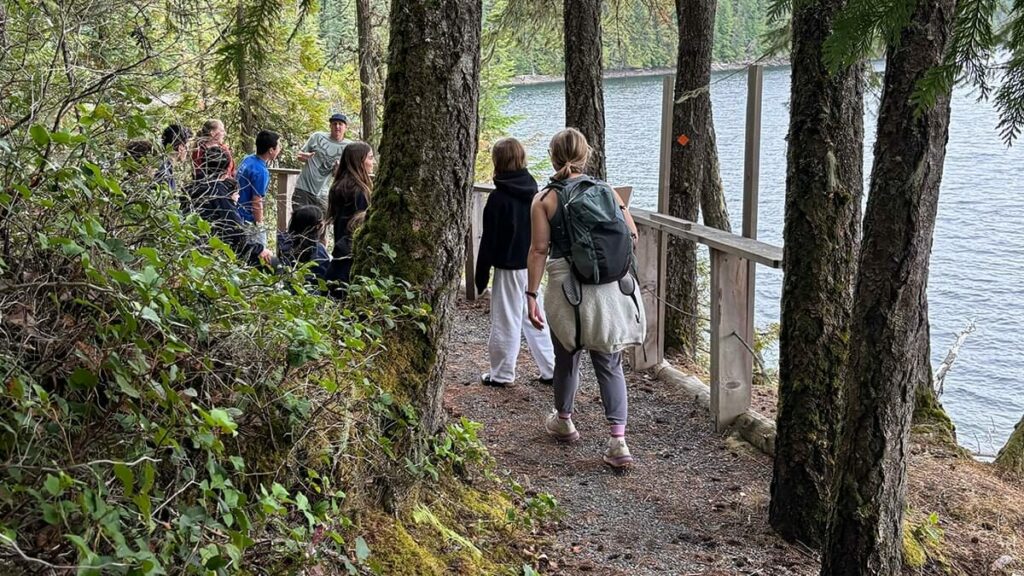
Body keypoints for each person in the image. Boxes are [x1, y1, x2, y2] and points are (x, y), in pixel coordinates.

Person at [525, 128, 645, 469]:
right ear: (586, 155)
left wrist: (531, 294)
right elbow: (632, 235)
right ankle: (618, 442)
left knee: (567, 356)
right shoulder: (607, 191)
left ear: (552, 156)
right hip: (609, 287)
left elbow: (538, 250)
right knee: (609, 363)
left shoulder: (545, 199)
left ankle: (564, 420)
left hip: (567, 289)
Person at [475, 137, 555, 388]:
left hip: (509, 268)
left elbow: (488, 241)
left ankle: (501, 373)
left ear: (498, 162)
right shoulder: (535, 192)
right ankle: (551, 368)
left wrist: (480, 275)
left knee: (505, 318)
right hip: (533, 264)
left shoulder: (498, 200)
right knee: (535, 315)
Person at [185, 146, 273, 268]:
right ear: (227, 168)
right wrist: (259, 250)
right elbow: (235, 231)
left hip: (194, 242)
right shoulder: (219, 192)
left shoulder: (192, 186)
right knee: (271, 263)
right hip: (212, 247)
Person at [293, 113, 353, 211]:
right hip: (303, 188)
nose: (337, 126)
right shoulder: (317, 137)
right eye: (334, 124)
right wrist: (304, 157)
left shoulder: (349, 146)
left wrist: (337, 170)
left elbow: (343, 174)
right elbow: (299, 155)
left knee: (322, 223)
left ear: (345, 127)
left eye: (340, 124)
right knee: (299, 220)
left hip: (324, 192)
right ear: (330, 126)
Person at [327, 141, 373, 262]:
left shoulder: (338, 186)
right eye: (370, 158)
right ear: (360, 161)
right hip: (354, 252)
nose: (373, 163)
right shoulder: (359, 191)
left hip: (340, 249)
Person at [237, 130, 282, 246]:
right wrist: (259, 224)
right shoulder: (261, 172)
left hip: (236, 211)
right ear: (271, 150)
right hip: (247, 219)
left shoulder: (248, 159)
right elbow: (257, 201)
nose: (280, 148)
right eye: (278, 146)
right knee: (259, 251)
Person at [278, 205, 331, 290]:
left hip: (285, 290)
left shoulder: (282, 241)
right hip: (311, 294)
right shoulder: (318, 250)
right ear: (318, 226)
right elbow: (324, 277)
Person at [157, 124, 192, 193]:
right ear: (181, 148)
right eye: (188, 147)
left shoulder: (161, 165)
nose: (188, 151)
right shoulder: (165, 170)